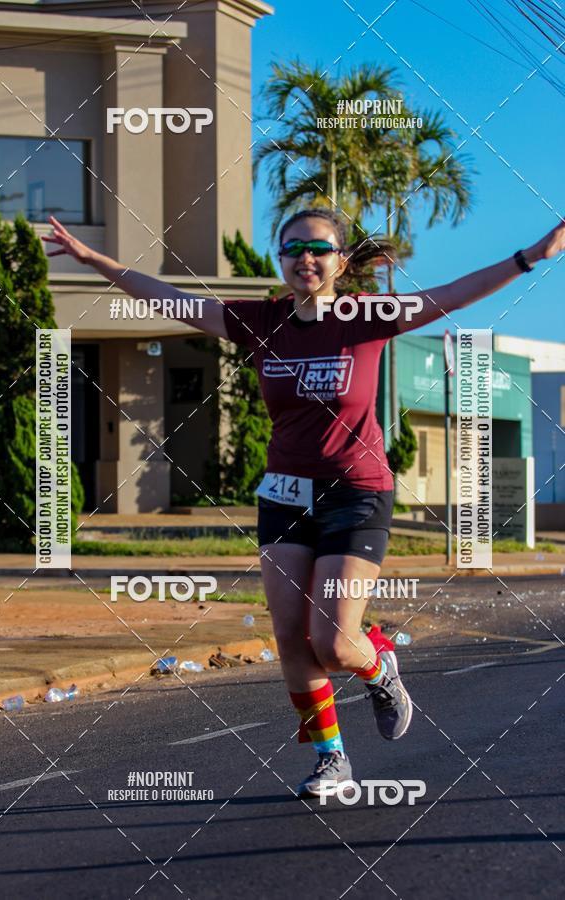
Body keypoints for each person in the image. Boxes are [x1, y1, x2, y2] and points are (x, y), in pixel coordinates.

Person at [43, 210, 565, 799]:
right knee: (291, 637)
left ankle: (379, 666)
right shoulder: (262, 321)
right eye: (292, 248)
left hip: (356, 493)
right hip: (284, 495)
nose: (305, 258)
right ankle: (331, 758)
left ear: (341, 260)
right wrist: (95, 261)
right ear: (281, 259)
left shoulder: (366, 316)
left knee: (335, 642)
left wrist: (531, 257)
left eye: (318, 248)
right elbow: (172, 300)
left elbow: (451, 295)